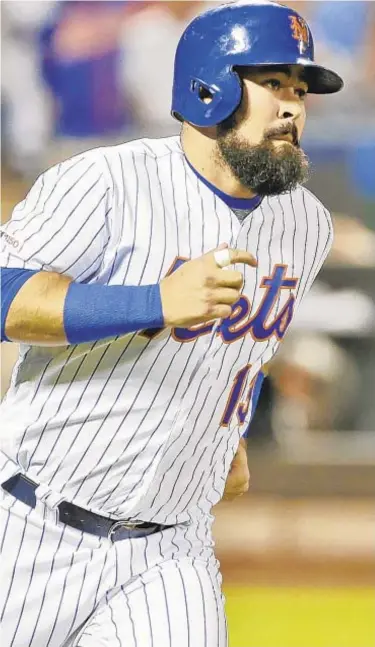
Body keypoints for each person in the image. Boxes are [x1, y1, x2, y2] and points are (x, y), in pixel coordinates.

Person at [0, 2, 343, 645]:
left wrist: (219, 431)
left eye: (301, 90)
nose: (294, 107)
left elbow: (242, 351)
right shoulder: (106, 181)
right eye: (273, 85)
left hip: (170, 551)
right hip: (32, 530)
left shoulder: (306, 224)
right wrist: (154, 302)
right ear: (207, 86)